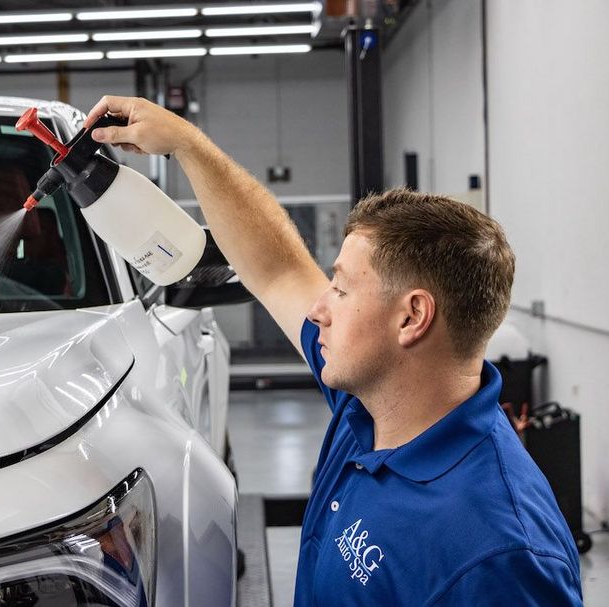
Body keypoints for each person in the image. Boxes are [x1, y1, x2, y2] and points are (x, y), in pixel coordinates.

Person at [85, 95, 583, 606]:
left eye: (342, 289)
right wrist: (186, 145)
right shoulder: (371, 407)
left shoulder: (500, 555)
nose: (319, 308)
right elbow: (277, 269)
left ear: (411, 318)